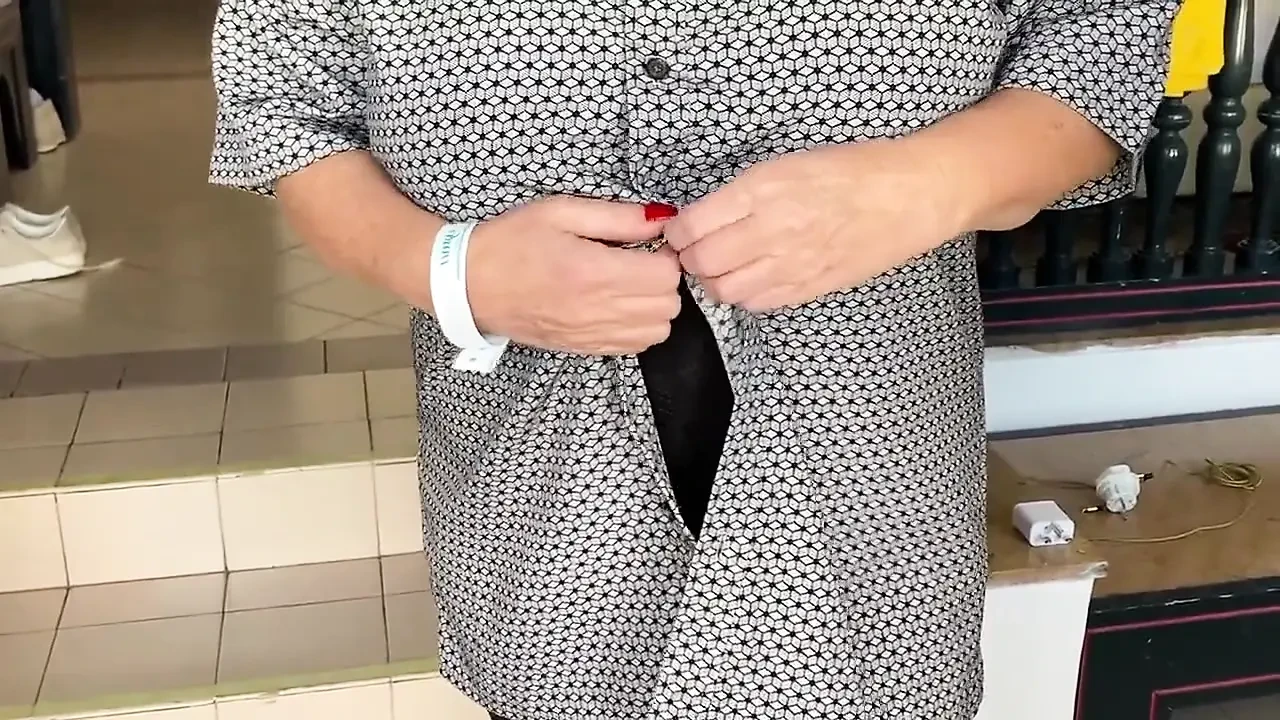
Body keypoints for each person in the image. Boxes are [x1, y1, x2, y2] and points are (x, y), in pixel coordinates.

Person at [209, 0, 1180, 717]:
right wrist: (448, 267)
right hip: (544, 521)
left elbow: (1101, 38)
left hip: (867, 501)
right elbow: (280, 98)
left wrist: (927, 181)